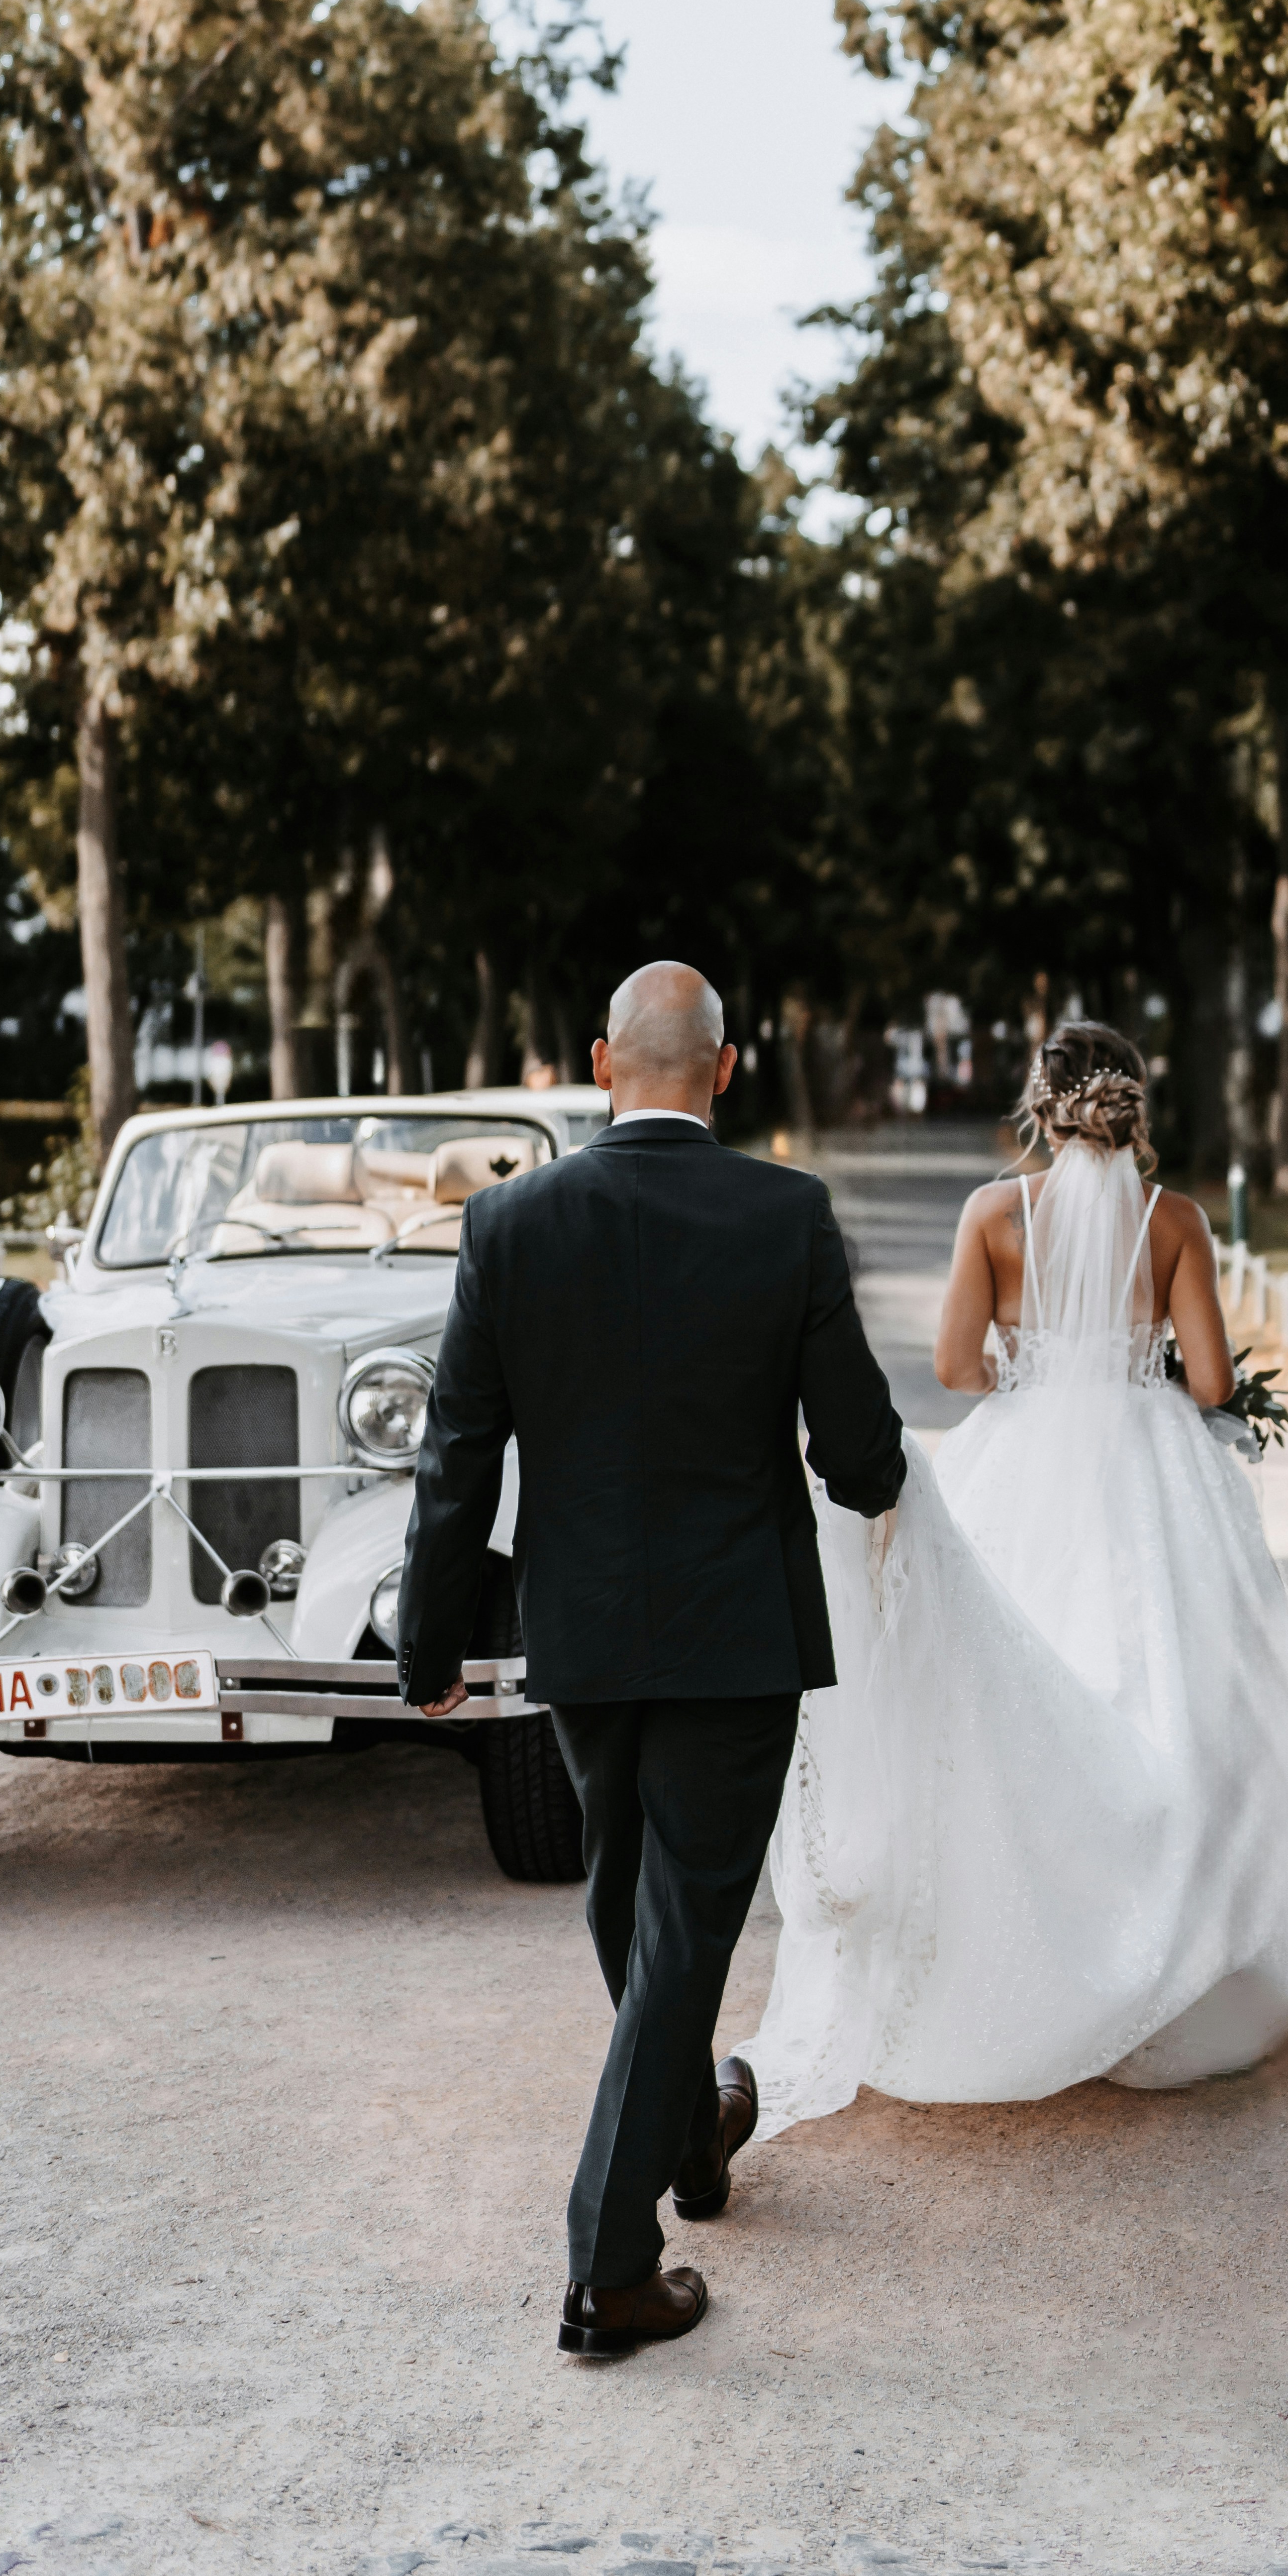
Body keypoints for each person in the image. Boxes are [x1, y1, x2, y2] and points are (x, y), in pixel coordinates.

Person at [742, 1021, 1288, 2130]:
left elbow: (951, 1368)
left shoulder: (994, 1217)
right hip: (1151, 1473)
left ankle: (1020, 1954)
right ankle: (1177, 1959)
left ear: (1037, 1108)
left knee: (999, 1700)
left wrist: (1031, 1367)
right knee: (1185, 1695)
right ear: (1131, 1108)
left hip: (1020, 1452)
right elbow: (1212, 1382)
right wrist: (1134, 1366)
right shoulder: (1172, 1221)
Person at [394, 960, 904, 2358]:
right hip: (737, 1635)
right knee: (663, 1925)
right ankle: (612, 2266)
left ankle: (695, 2134)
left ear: (602, 1063)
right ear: (726, 1071)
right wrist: (882, 1481)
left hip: (586, 1635)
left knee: (633, 1912)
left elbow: (457, 1462)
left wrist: (429, 1640)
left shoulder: (507, 1223)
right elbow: (855, 1452)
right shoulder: (784, 1213)